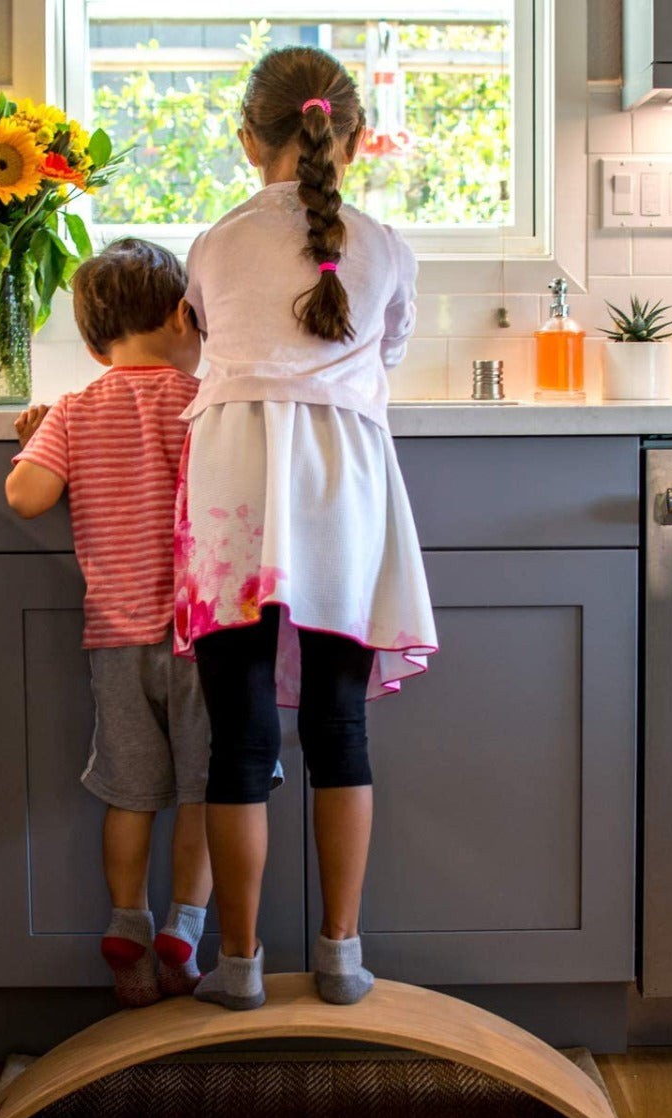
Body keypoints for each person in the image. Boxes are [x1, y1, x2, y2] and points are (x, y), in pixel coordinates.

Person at [174, 45, 438, 1013]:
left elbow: (206, 337)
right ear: (354, 139)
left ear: (249, 142)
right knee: (340, 727)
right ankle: (339, 953)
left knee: (237, 739)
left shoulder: (213, 240)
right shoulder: (383, 245)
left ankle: (237, 965)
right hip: (343, 495)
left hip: (234, 493)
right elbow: (389, 350)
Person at [5, 238, 213, 1008]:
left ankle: (128, 925)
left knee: (130, 794)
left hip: (117, 640)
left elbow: (27, 498)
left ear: (93, 343)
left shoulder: (74, 409)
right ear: (181, 316)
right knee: (204, 790)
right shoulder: (202, 404)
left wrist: (34, 442)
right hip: (199, 635)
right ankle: (185, 931)